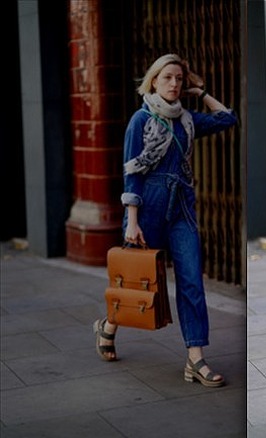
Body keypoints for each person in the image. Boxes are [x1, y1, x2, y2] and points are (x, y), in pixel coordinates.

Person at [93, 53, 238, 388]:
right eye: (168, 77)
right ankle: (108, 326)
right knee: (134, 281)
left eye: (179, 79)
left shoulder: (187, 119)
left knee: (191, 282)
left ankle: (195, 360)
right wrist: (132, 220)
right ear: (154, 80)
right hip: (147, 208)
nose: (175, 84)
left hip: (182, 209)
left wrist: (199, 92)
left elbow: (228, 118)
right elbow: (132, 173)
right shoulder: (140, 121)